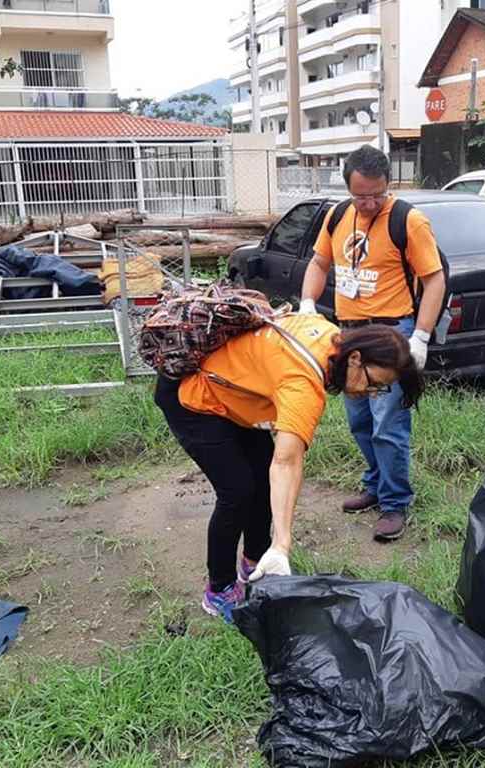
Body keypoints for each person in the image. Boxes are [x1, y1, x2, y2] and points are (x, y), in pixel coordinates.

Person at [154, 314, 424, 623]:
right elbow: (286, 462)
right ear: (355, 358)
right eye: (374, 383)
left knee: (261, 481)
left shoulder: (329, 336)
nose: (372, 393)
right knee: (237, 491)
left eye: (381, 389)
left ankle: (255, 563)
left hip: (238, 393)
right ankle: (220, 589)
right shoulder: (304, 382)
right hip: (194, 398)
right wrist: (282, 543)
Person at [298, 144, 446, 542]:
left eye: (377, 195)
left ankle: (395, 503)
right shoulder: (337, 215)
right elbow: (319, 262)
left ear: (388, 183)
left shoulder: (407, 220)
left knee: (388, 424)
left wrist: (420, 336)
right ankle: (375, 484)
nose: (368, 203)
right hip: (348, 334)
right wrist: (308, 302)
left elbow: (434, 279)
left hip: (390, 334)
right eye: (360, 196)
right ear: (348, 188)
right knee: (360, 420)